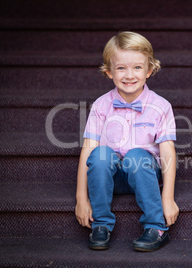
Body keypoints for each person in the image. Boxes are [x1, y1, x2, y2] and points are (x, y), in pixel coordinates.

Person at [75, 31, 179, 252]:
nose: (129, 74)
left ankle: (156, 227)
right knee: (100, 155)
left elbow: (168, 152)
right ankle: (101, 224)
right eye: (121, 68)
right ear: (108, 72)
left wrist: (167, 198)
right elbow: (88, 149)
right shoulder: (101, 105)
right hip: (113, 177)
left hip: (145, 173)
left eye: (137, 67)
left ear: (149, 70)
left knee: (136, 156)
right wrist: (81, 199)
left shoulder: (161, 106)